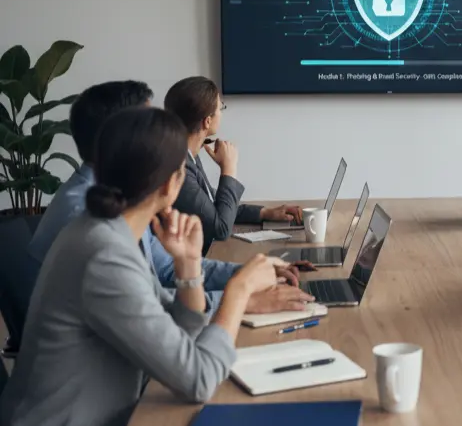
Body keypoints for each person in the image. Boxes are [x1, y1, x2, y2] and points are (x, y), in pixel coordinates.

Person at [0, 107, 281, 426]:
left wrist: (188, 266)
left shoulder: (106, 231)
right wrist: (239, 291)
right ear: (169, 185)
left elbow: (177, 335)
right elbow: (198, 381)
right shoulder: (103, 255)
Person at [27, 80, 313, 315]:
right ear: (121, 138)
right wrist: (242, 298)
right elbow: (151, 307)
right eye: (153, 126)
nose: (165, 134)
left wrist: (248, 273)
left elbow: (163, 270)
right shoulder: (89, 216)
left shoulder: (118, 194)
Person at [164, 76, 304, 255]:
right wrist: (228, 169)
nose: (222, 112)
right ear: (207, 121)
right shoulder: (179, 168)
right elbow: (220, 229)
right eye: (221, 107)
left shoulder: (188, 155)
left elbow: (213, 206)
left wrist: (266, 213)